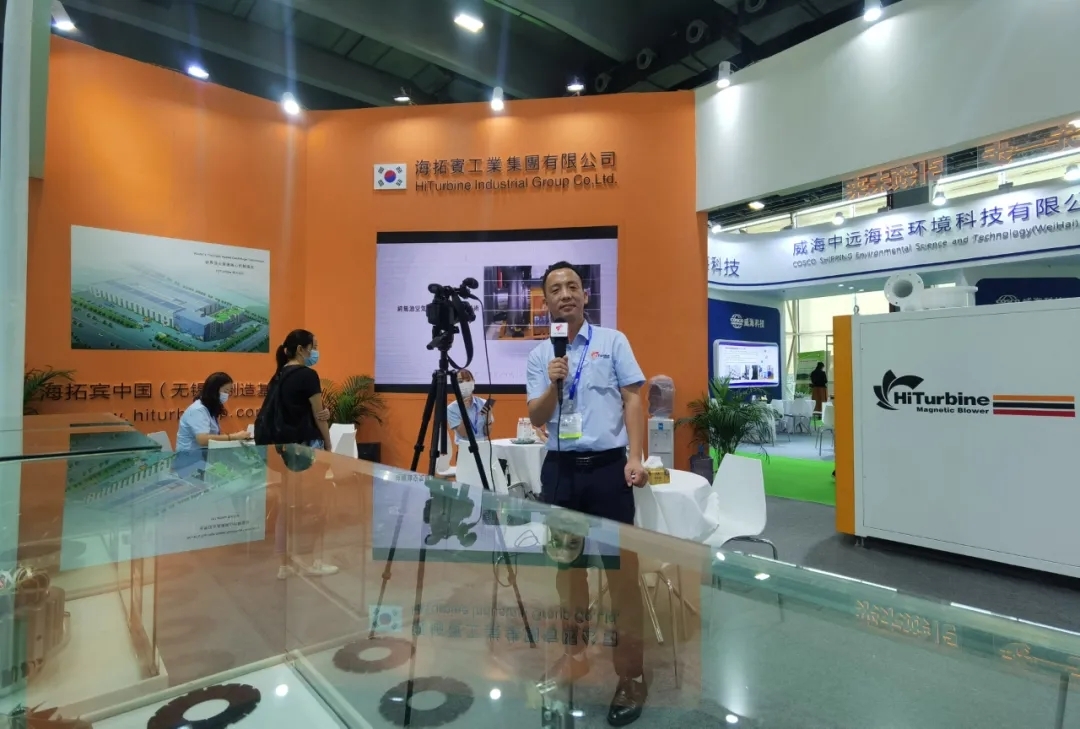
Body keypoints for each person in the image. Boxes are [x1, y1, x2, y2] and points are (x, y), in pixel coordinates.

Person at [525, 261, 648, 727]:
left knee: (622, 576)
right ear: (546, 301)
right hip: (561, 473)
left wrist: (635, 457)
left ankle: (631, 674)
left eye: (573, 286)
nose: (566, 294)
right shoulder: (541, 355)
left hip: (608, 471)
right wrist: (554, 382)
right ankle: (574, 656)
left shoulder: (612, 342)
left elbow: (633, 398)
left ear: (585, 294)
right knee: (568, 573)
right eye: (556, 288)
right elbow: (537, 416)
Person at [268, 329, 337, 579]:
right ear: (301, 349)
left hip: (284, 452)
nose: (315, 351)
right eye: (313, 346)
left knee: (287, 506)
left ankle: (285, 564)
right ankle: (312, 560)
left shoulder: (277, 376)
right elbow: (319, 415)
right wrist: (328, 443)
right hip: (308, 451)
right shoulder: (307, 375)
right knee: (315, 504)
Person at [175, 371, 250, 451]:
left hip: (205, 454)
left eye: (228, 392)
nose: (227, 395)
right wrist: (233, 437)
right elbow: (203, 440)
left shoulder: (209, 409)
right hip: (191, 456)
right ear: (214, 390)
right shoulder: (198, 410)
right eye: (225, 391)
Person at [445, 368, 494, 445]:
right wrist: (465, 410)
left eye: (468, 380)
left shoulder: (483, 403)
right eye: (460, 381)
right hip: (464, 447)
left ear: (473, 382)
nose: (465, 384)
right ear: (455, 385)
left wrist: (488, 418)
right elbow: (463, 434)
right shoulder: (451, 408)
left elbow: (487, 432)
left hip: (483, 446)